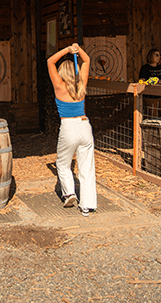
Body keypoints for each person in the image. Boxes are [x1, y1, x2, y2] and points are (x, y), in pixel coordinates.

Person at [47, 43, 97, 217]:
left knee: (62, 164)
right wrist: (78, 49)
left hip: (68, 126)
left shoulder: (59, 85)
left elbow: (50, 62)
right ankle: (88, 205)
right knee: (87, 168)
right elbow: (87, 59)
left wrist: (67, 50)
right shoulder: (81, 82)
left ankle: (69, 193)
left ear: (62, 72)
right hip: (84, 125)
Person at [139, 49, 161, 118]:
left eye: (159, 55)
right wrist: (154, 81)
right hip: (150, 96)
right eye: (156, 55)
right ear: (150, 56)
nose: (158, 57)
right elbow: (141, 80)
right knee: (153, 116)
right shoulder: (145, 68)